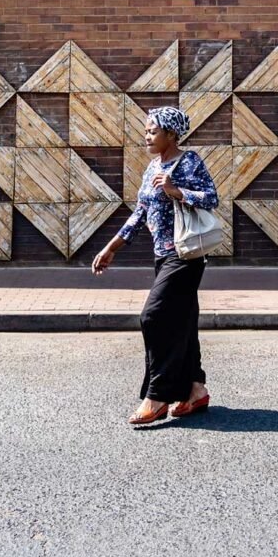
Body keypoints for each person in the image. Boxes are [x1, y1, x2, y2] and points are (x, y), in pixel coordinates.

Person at [91, 105, 219, 426]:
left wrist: (176, 191)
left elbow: (211, 197)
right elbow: (139, 213)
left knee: (153, 316)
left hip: (185, 255)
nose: (147, 136)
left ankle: (158, 396)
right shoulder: (151, 168)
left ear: (171, 134)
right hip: (162, 256)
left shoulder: (188, 162)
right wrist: (111, 248)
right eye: (146, 131)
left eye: (153, 131)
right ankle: (196, 390)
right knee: (183, 323)